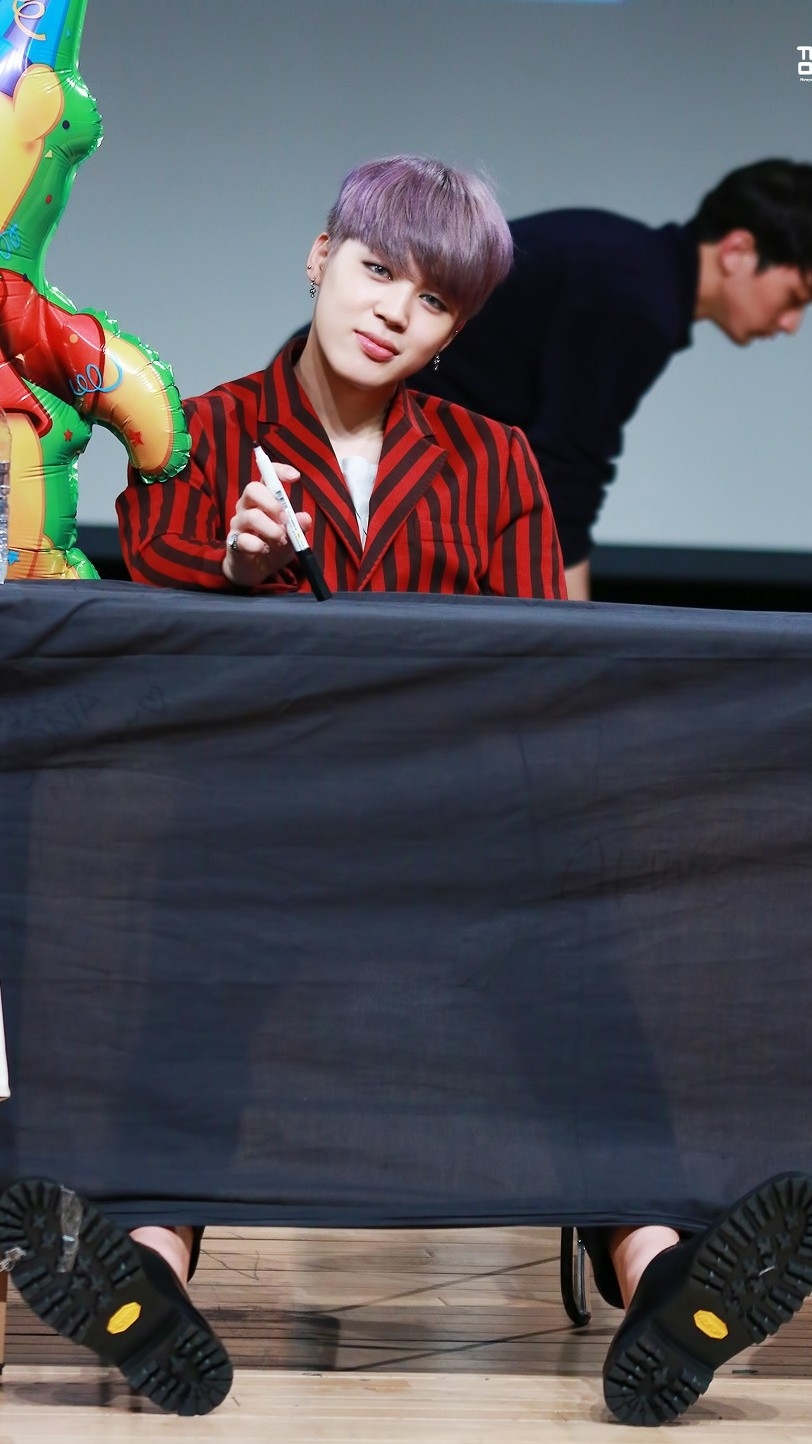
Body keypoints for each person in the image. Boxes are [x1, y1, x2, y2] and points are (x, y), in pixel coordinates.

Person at [2, 158, 811, 1428]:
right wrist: (239, 571)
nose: (393, 310)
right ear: (319, 259)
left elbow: (531, 673)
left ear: (455, 331)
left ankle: (665, 1280)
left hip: (455, 845)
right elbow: (152, 591)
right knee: (190, 997)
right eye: (377, 270)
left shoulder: (495, 462)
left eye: (433, 300)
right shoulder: (199, 432)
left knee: (581, 990)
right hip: (256, 834)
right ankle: (141, 1274)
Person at [409, 159, 812, 599]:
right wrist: (573, 630)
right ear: (737, 251)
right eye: (796, 297)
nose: (791, 324)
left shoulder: (627, 260)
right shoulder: (635, 300)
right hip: (374, 455)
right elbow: (564, 472)